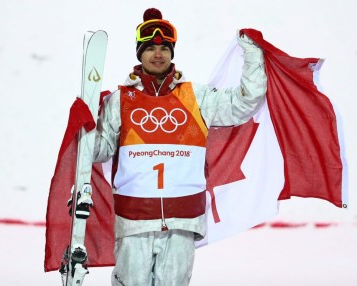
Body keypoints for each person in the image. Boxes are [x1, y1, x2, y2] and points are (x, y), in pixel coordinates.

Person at [93, 7, 267, 286]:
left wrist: (254, 56)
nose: (157, 53)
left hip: (183, 220)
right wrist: (85, 126)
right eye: (149, 48)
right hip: (134, 219)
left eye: (164, 48)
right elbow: (99, 151)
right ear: (140, 53)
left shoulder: (196, 96)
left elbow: (243, 104)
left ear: (172, 52)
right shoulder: (120, 100)